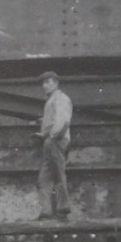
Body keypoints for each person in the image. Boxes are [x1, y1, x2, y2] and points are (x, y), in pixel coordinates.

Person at [35, 71, 73, 219]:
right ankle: (46, 211)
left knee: (57, 173)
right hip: (51, 141)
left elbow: (62, 120)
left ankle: (63, 208)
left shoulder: (61, 99)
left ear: (56, 83)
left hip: (56, 140)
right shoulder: (53, 100)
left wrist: (51, 135)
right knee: (44, 177)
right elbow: (55, 119)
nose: (44, 86)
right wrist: (43, 123)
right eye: (43, 83)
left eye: (48, 82)